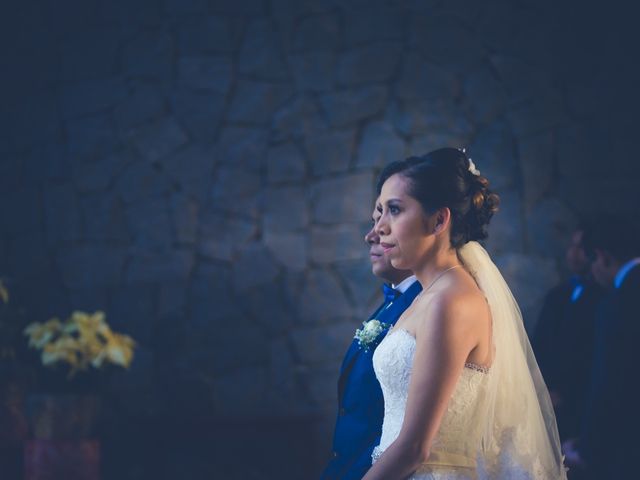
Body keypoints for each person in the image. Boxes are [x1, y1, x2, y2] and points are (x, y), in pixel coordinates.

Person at [362, 148, 566, 479]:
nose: (380, 227)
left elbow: (415, 447)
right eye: (380, 211)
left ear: (440, 220)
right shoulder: (429, 297)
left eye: (395, 210)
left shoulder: (451, 300)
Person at [320, 200, 422, 480]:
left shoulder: (429, 305)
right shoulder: (393, 301)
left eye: (394, 212)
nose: (371, 235)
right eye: (374, 221)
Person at [563, 216, 640, 479]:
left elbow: (608, 382)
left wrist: (587, 449)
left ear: (602, 256)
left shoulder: (618, 304)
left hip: (626, 444)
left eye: (593, 261)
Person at [532, 226, 603, 441]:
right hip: (545, 393)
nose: (573, 253)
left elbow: (591, 354)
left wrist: (564, 393)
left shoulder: (603, 298)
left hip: (577, 401)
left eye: (581, 248)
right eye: (572, 246)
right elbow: (540, 342)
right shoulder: (558, 293)